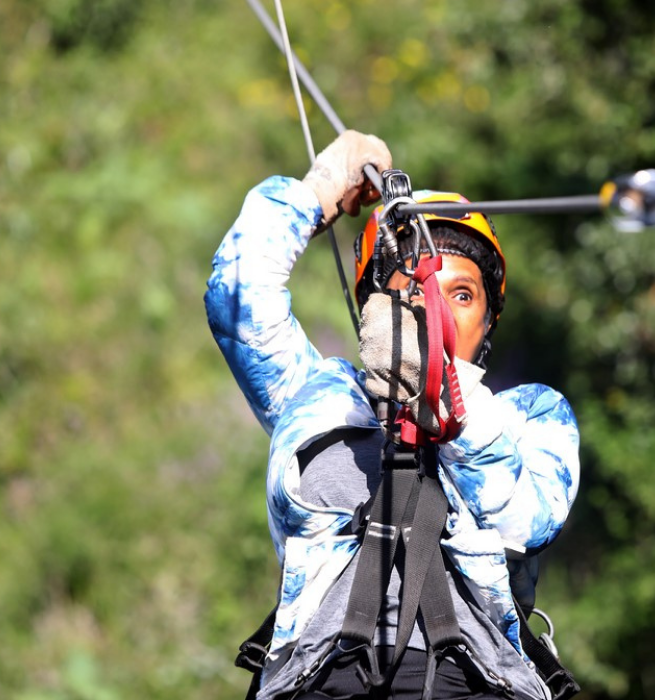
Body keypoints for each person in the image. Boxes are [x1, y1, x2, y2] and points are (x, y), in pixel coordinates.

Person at [205, 130, 580, 700]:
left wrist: (447, 399)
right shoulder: (318, 398)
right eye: (412, 289)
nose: (435, 312)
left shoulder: (531, 416)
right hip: (319, 679)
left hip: (474, 682)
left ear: (489, 319)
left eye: (461, 296)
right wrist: (321, 188)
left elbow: (526, 523)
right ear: (376, 308)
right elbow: (237, 297)